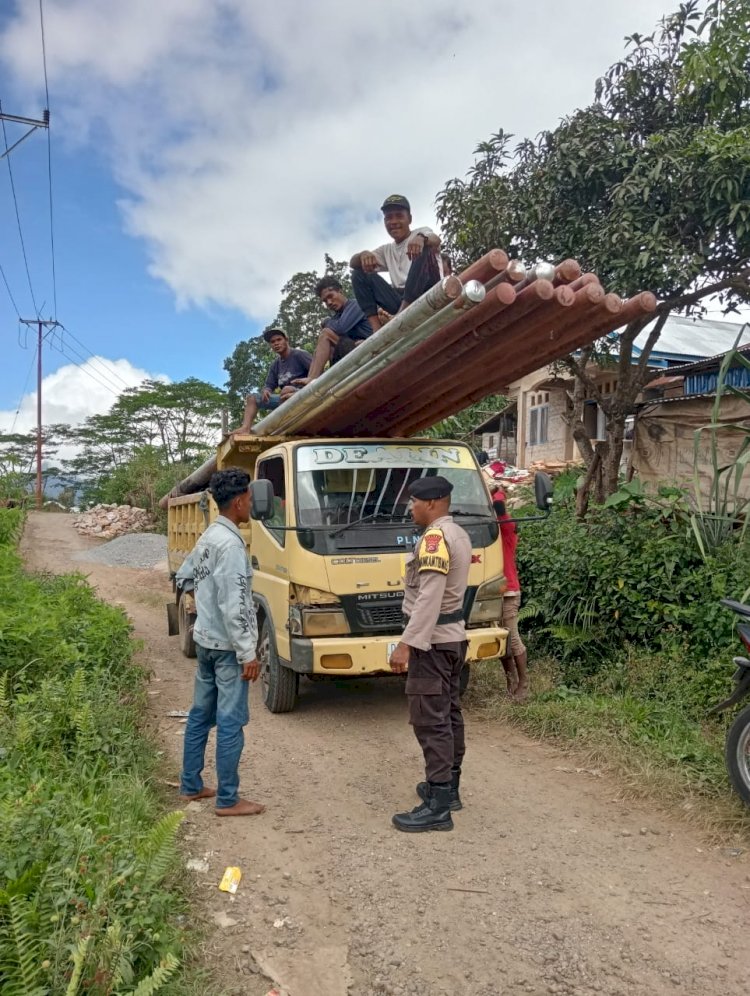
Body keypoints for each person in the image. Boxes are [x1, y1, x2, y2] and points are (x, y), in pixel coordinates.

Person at [177, 468, 265, 817]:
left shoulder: (209, 537)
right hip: (228, 650)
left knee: (200, 715)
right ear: (240, 501)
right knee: (231, 721)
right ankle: (228, 799)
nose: (251, 505)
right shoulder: (230, 545)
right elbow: (236, 605)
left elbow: (184, 576)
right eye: (250, 499)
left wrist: (205, 603)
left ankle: (191, 785)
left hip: (206, 643)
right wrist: (248, 653)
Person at [389, 476, 471, 832]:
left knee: (430, 720)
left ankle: (438, 806)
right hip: (453, 638)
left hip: (434, 643)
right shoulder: (458, 534)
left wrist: (407, 643)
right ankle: (448, 788)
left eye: (414, 501)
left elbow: (429, 598)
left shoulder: (435, 539)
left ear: (434, 502)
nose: (411, 507)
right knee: (449, 713)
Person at [350, 194, 442, 332]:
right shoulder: (386, 250)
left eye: (399, 216)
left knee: (424, 248)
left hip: (427, 291)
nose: (393, 221)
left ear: (409, 219)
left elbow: (435, 239)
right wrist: (363, 254)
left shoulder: (421, 232)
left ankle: (401, 317)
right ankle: (376, 330)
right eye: (389, 218)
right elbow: (353, 263)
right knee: (358, 273)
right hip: (399, 299)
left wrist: (422, 239)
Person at [293, 276, 372, 384]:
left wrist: (326, 322)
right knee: (322, 344)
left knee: (326, 334)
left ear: (340, 291)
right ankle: (309, 382)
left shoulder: (355, 305)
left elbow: (341, 328)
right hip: (350, 352)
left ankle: (312, 379)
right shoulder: (336, 317)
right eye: (325, 301)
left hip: (369, 348)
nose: (329, 302)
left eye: (330, 296)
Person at [234, 328, 311, 432]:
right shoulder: (275, 365)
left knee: (287, 389)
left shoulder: (299, 355)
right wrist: (267, 390)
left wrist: (305, 387)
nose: (276, 344)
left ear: (286, 340)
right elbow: (269, 385)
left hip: (304, 394)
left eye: (279, 340)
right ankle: (245, 428)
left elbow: (318, 373)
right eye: (273, 342)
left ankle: (277, 425)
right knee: (252, 398)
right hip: (284, 398)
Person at [492, 487, 529, 702]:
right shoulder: (493, 531)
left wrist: (494, 491)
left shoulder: (506, 528)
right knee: (501, 641)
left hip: (508, 592)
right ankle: (511, 681)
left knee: (512, 639)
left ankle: (524, 683)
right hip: (493, 591)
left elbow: (498, 506)